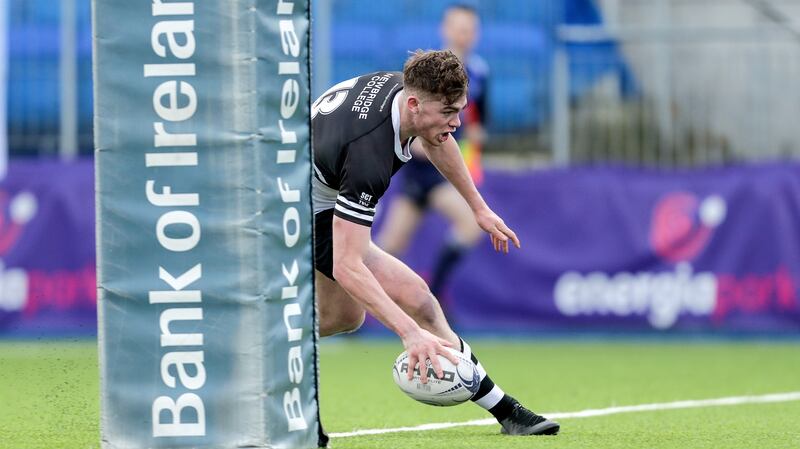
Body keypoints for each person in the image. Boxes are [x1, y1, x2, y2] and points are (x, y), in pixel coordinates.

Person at [311, 49, 559, 436]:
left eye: (458, 110)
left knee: (342, 317)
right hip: (289, 209)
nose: (457, 122)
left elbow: (439, 140)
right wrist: (408, 333)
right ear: (414, 104)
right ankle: (506, 410)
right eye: (449, 113)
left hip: (310, 192)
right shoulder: (368, 154)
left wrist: (478, 208)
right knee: (413, 299)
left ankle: (266, 349)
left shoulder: (409, 93)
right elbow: (347, 264)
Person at [377, 4, 489, 300]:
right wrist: (421, 145)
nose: (464, 35)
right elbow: (405, 116)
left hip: (444, 171)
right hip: (419, 169)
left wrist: (470, 154)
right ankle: (352, 299)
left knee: (470, 225)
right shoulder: (429, 71)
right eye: (458, 28)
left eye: (470, 29)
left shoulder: (479, 72)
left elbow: (478, 126)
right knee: (390, 245)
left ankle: (435, 293)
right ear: (445, 29)